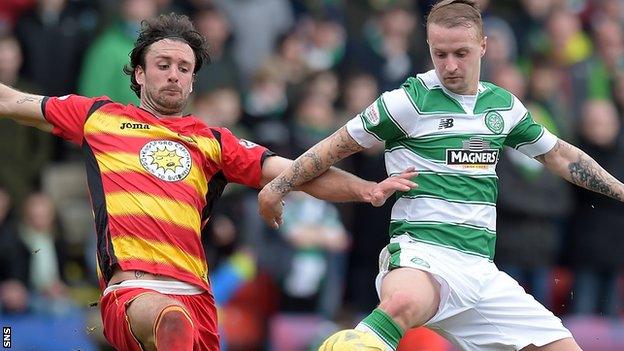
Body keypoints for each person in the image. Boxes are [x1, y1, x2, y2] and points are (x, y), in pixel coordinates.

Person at [0, 13, 417, 351]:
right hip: (134, 291)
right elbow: (12, 101)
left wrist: (366, 189)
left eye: (184, 68)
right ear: (140, 74)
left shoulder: (212, 141)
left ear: (194, 79)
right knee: (169, 321)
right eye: (163, 66)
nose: (174, 75)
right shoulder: (99, 116)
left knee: (181, 321)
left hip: (198, 298)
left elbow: (297, 172)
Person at [258, 1, 624, 350]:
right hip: (422, 255)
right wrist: (277, 186)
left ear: (483, 46)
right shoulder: (407, 101)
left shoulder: (504, 107)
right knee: (400, 303)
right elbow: (332, 147)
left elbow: (559, 155)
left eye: (460, 53)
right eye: (440, 53)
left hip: (481, 270)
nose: (449, 65)